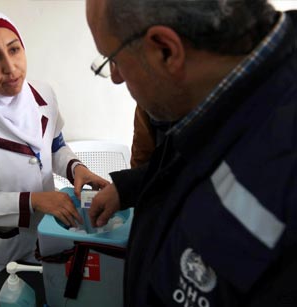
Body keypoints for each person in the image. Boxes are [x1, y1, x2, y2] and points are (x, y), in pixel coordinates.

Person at [86, 0, 297, 306]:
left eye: (113, 59)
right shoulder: (217, 95)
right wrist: (130, 186)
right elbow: (199, 166)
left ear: (165, 50)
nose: (116, 77)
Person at [0, 9, 108, 306]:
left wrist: (74, 167)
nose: (11, 67)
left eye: (14, 49)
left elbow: (54, 145)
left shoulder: (44, 94)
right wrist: (34, 200)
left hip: (47, 233)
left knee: (51, 295)